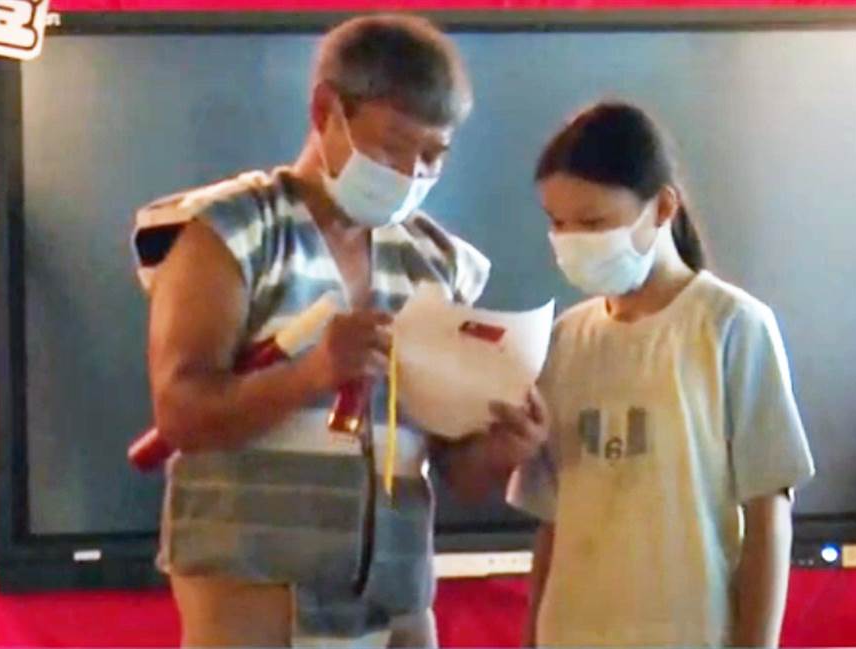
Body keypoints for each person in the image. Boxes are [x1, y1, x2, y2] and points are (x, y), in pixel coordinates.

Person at [131, 15, 543, 648]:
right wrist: (310, 376)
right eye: (390, 148)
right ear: (326, 111)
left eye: (432, 156)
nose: (410, 174)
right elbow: (180, 412)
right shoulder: (231, 232)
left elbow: (447, 465)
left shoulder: (437, 263)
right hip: (251, 595)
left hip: (397, 601)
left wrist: (501, 449)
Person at [497, 102, 816, 647]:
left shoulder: (731, 326)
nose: (571, 239)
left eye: (593, 222)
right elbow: (554, 522)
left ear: (663, 207)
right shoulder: (565, 339)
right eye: (557, 222)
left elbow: (768, 516)